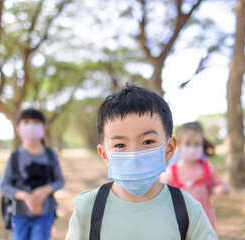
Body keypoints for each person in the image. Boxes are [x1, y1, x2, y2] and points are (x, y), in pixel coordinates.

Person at [65, 85, 217, 240]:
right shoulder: (86, 209)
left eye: (148, 141)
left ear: (169, 149)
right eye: (120, 145)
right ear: (105, 156)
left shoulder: (188, 208)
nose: (134, 155)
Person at [0, 108, 65, 240]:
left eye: (36, 122)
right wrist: (23, 196)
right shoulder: (15, 157)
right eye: (26, 122)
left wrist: (47, 189)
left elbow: (60, 181)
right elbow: (3, 185)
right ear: (18, 129)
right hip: (19, 215)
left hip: (45, 215)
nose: (31, 125)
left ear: (43, 128)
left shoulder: (50, 155)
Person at [160, 121, 230, 229]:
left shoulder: (206, 168)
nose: (193, 148)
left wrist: (222, 188)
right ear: (177, 145)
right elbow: (161, 195)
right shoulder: (170, 172)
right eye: (188, 144)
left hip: (205, 222)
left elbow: (219, 183)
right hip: (181, 224)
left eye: (197, 144)